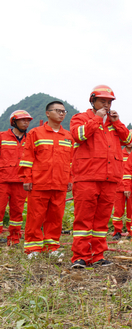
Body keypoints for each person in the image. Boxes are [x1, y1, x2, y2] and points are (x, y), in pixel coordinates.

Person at [70, 85, 132, 269]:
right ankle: (80, 257)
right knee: (83, 219)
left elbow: (129, 141)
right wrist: (97, 118)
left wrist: (118, 122)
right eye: (102, 102)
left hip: (110, 179)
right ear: (93, 101)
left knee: (101, 220)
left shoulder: (114, 123)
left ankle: (97, 256)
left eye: (109, 102)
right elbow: (79, 136)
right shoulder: (80, 118)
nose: (106, 105)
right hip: (87, 177)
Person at [19, 101, 74, 257]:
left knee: (55, 217)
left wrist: (70, 179)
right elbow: (27, 157)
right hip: (39, 182)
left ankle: (52, 247)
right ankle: (33, 248)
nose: (62, 113)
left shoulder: (68, 136)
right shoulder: (35, 133)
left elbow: (71, 161)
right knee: (35, 216)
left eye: (64, 111)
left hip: (60, 183)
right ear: (48, 113)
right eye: (58, 110)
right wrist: (27, 178)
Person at [0, 110, 33, 246]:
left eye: (27, 120)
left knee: (17, 212)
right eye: (22, 120)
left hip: (21, 182)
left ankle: (13, 240)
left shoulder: (31, 139)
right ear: (14, 122)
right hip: (3, 180)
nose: (26, 123)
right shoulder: (2, 137)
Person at [112, 140, 132, 240]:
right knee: (118, 211)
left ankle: (131, 232)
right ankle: (117, 231)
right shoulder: (119, 153)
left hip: (131, 187)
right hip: (119, 186)